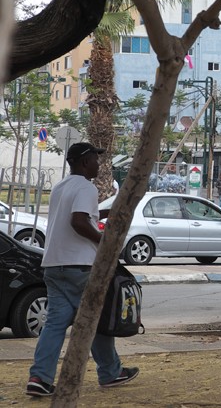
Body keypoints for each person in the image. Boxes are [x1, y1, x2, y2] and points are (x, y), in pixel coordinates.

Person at [26, 142, 139, 397]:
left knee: (55, 324)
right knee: (96, 319)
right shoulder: (86, 187)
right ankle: (110, 372)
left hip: (54, 264)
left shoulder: (60, 187)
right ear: (83, 161)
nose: (98, 164)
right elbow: (78, 221)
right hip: (80, 266)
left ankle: (39, 377)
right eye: (94, 159)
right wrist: (103, 241)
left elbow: (83, 216)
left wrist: (110, 212)